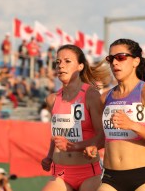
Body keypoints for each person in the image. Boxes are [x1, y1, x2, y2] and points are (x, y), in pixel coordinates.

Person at [86, 38, 145, 191]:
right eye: (111, 59)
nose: (115, 63)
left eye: (121, 57)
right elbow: (105, 136)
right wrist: (94, 145)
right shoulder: (105, 97)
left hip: (142, 178)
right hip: (111, 177)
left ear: (135, 61)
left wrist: (132, 125)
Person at [41, 44, 111, 191]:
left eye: (67, 61)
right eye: (58, 62)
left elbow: (102, 136)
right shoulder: (52, 99)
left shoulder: (91, 95)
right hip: (61, 172)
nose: (60, 66)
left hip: (88, 172)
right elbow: (57, 134)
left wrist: (86, 147)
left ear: (80, 66)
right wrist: (49, 156)